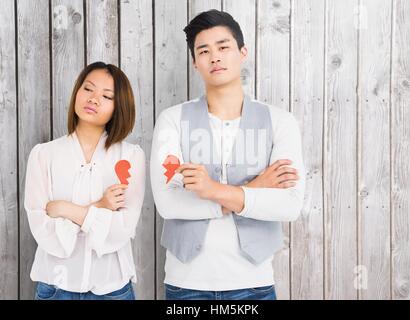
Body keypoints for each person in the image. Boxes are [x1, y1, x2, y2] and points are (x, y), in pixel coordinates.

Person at [150, 10, 305, 300]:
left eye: (223, 47)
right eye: (204, 51)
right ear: (195, 62)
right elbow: (168, 203)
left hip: (254, 284)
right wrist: (255, 188)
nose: (215, 57)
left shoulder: (279, 121)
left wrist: (212, 191)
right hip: (187, 285)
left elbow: (289, 204)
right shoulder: (172, 119)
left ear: (242, 52)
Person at [24, 62, 146, 300]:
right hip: (55, 287)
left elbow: (122, 228)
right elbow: (42, 227)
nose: (94, 99)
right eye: (88, 89)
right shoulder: (43, 154)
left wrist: (64, 209)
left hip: (113, 289)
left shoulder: (131, 157)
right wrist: (100, 206)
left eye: (106, 96)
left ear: (118, 106)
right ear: (77, 92)